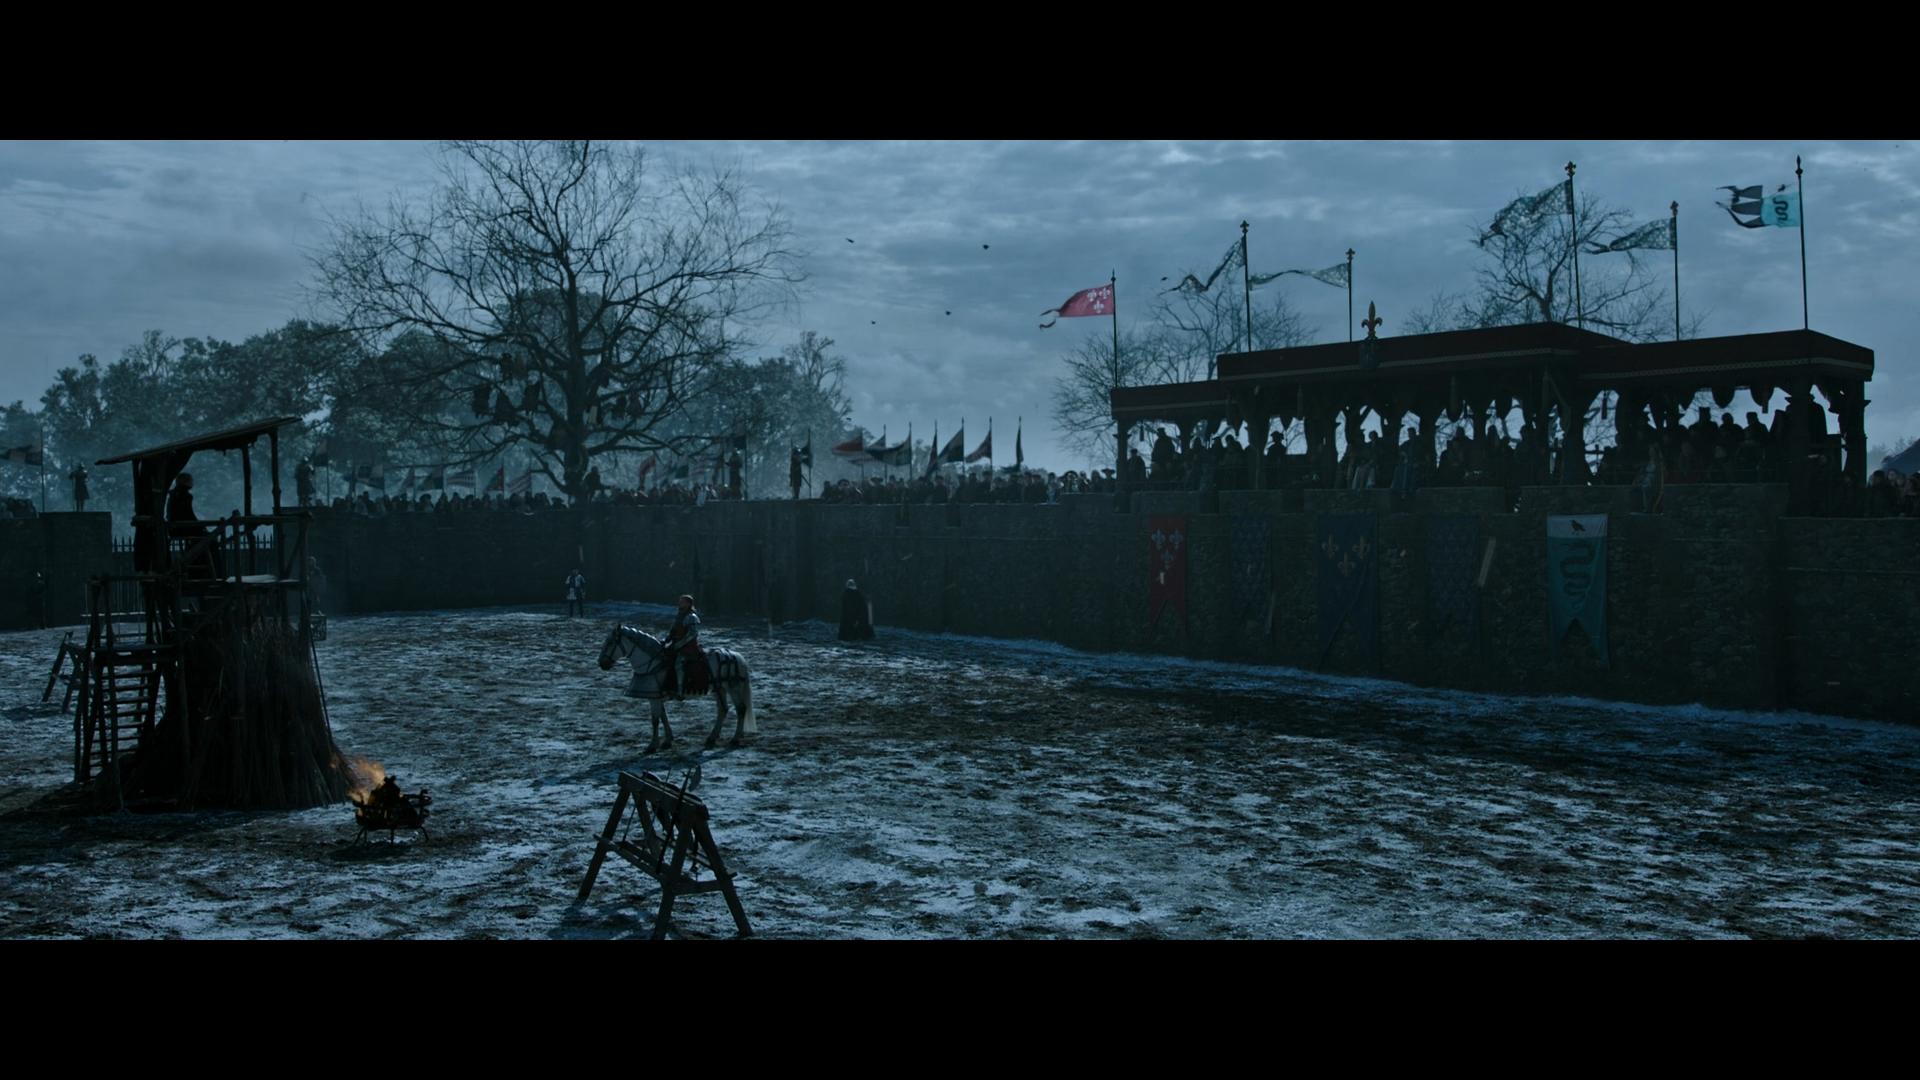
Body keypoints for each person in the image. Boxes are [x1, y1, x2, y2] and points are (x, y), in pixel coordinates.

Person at [168, 471, 221, 578]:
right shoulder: (186, 496)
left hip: (177, 528)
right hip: (184, 528)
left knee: (202, 542)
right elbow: (188, 514)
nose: (192, 482)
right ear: (186, 481)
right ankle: (214, 572)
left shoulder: (174, 494)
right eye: (191, 480)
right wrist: (200, 527)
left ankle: (200, 571)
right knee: (210, 542)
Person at [662, 594, 703, 698]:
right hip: (676, 646)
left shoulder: (691, 617)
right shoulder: (679, 616)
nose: (679, 603)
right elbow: (673, 631)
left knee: (679, 665)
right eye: (680, 601)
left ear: (688, 604)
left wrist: (680, 644)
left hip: (689, 648)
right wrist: (666, 640)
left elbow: (693, 634)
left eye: (682, 602)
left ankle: (680, 691)